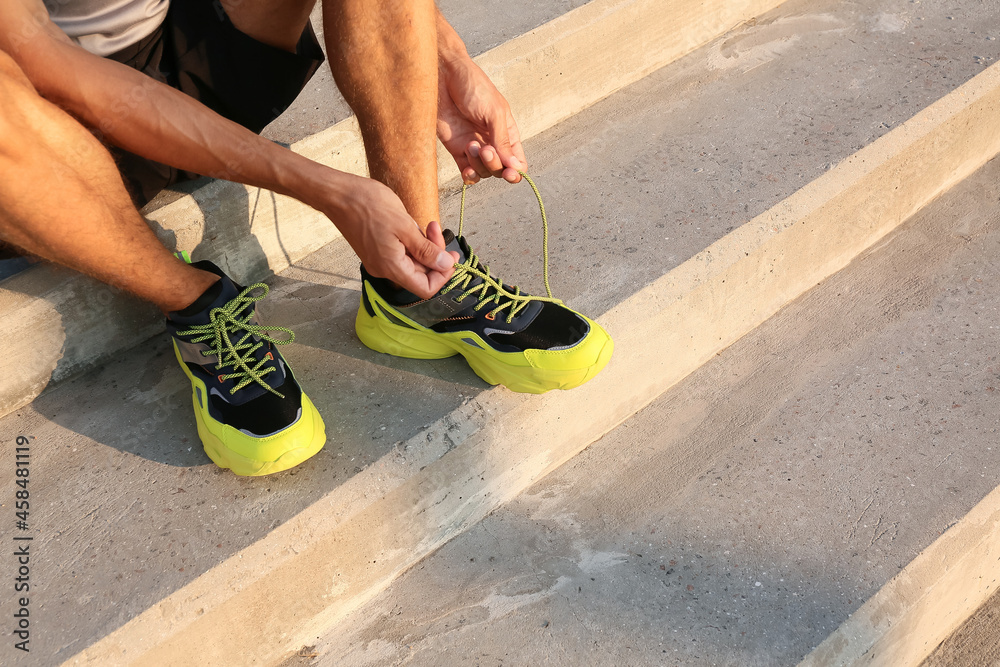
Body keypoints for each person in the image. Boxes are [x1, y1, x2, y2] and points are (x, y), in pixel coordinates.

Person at [0, 0, 613, 476]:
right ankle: (194, 301)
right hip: (52, 135)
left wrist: (446, 58)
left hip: (183, 50)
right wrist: (332, 190)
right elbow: (62, 74)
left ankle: (416, 277)